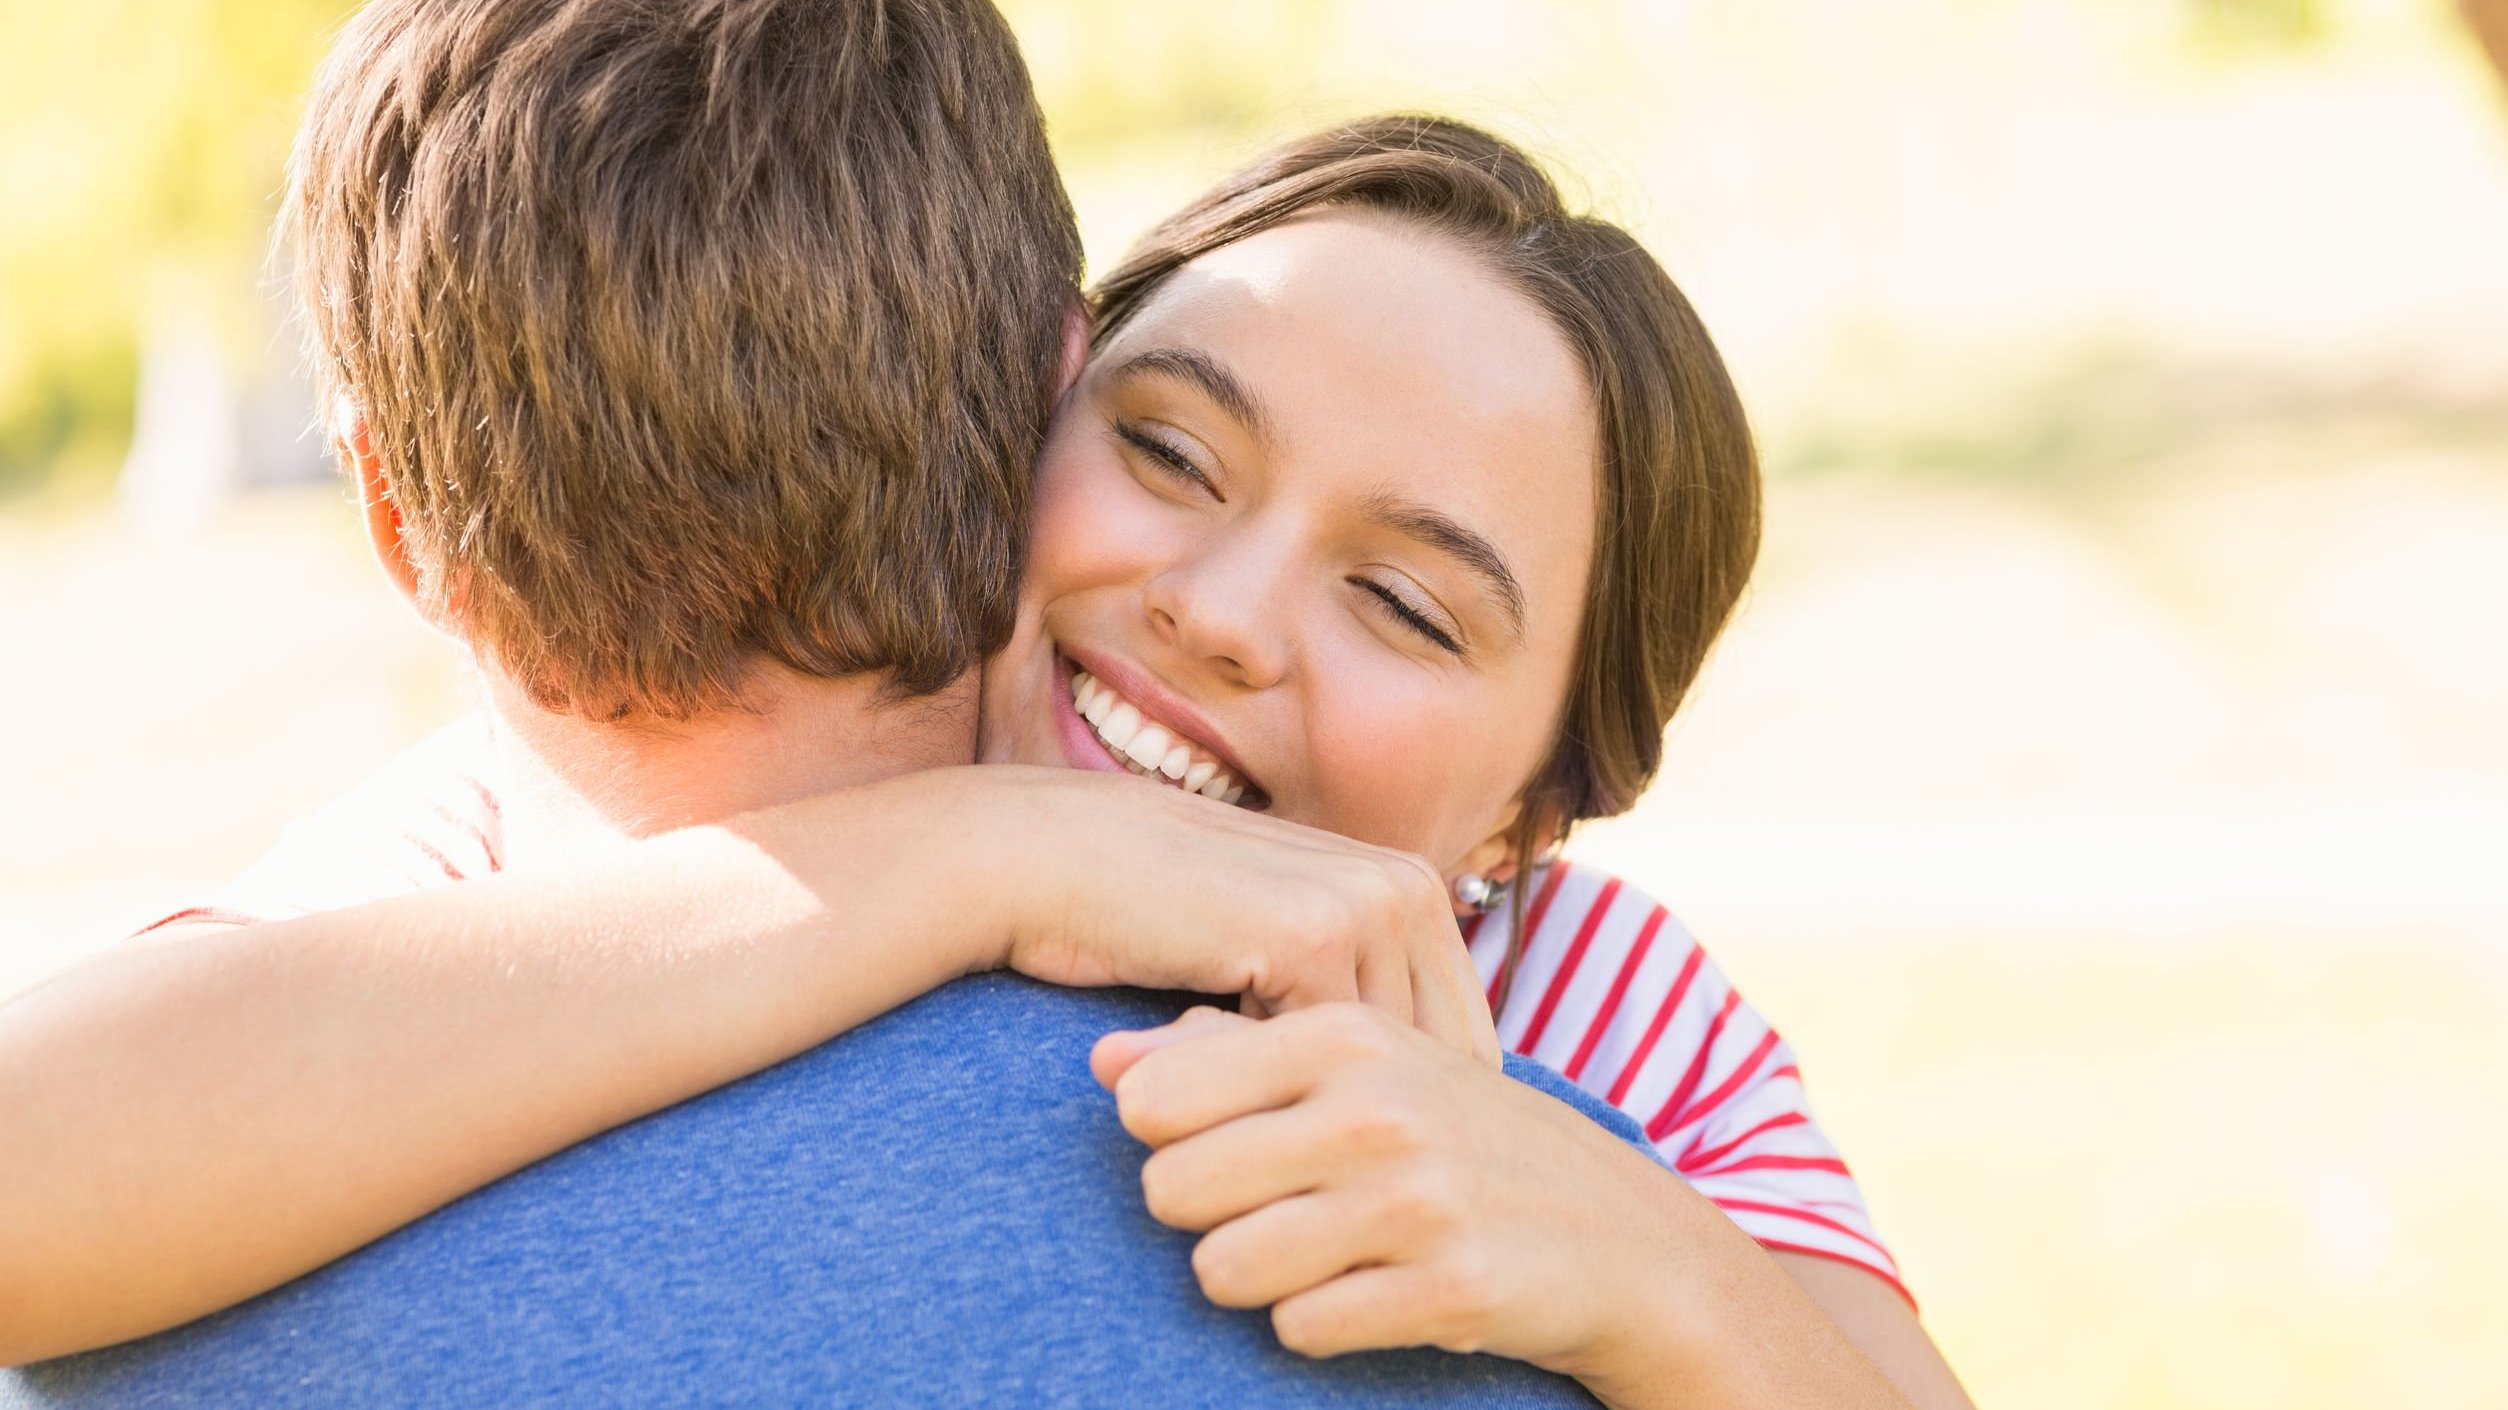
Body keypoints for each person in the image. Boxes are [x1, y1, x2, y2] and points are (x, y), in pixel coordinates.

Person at [0, 4, 1965, 1408]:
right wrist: (979, 850)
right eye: (1176, 452)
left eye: (1400, 600)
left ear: (1528, 824)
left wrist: (1647, 1262)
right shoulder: (521, 853)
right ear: (1034, 396)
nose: (1213, 611)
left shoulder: (1575, 998)